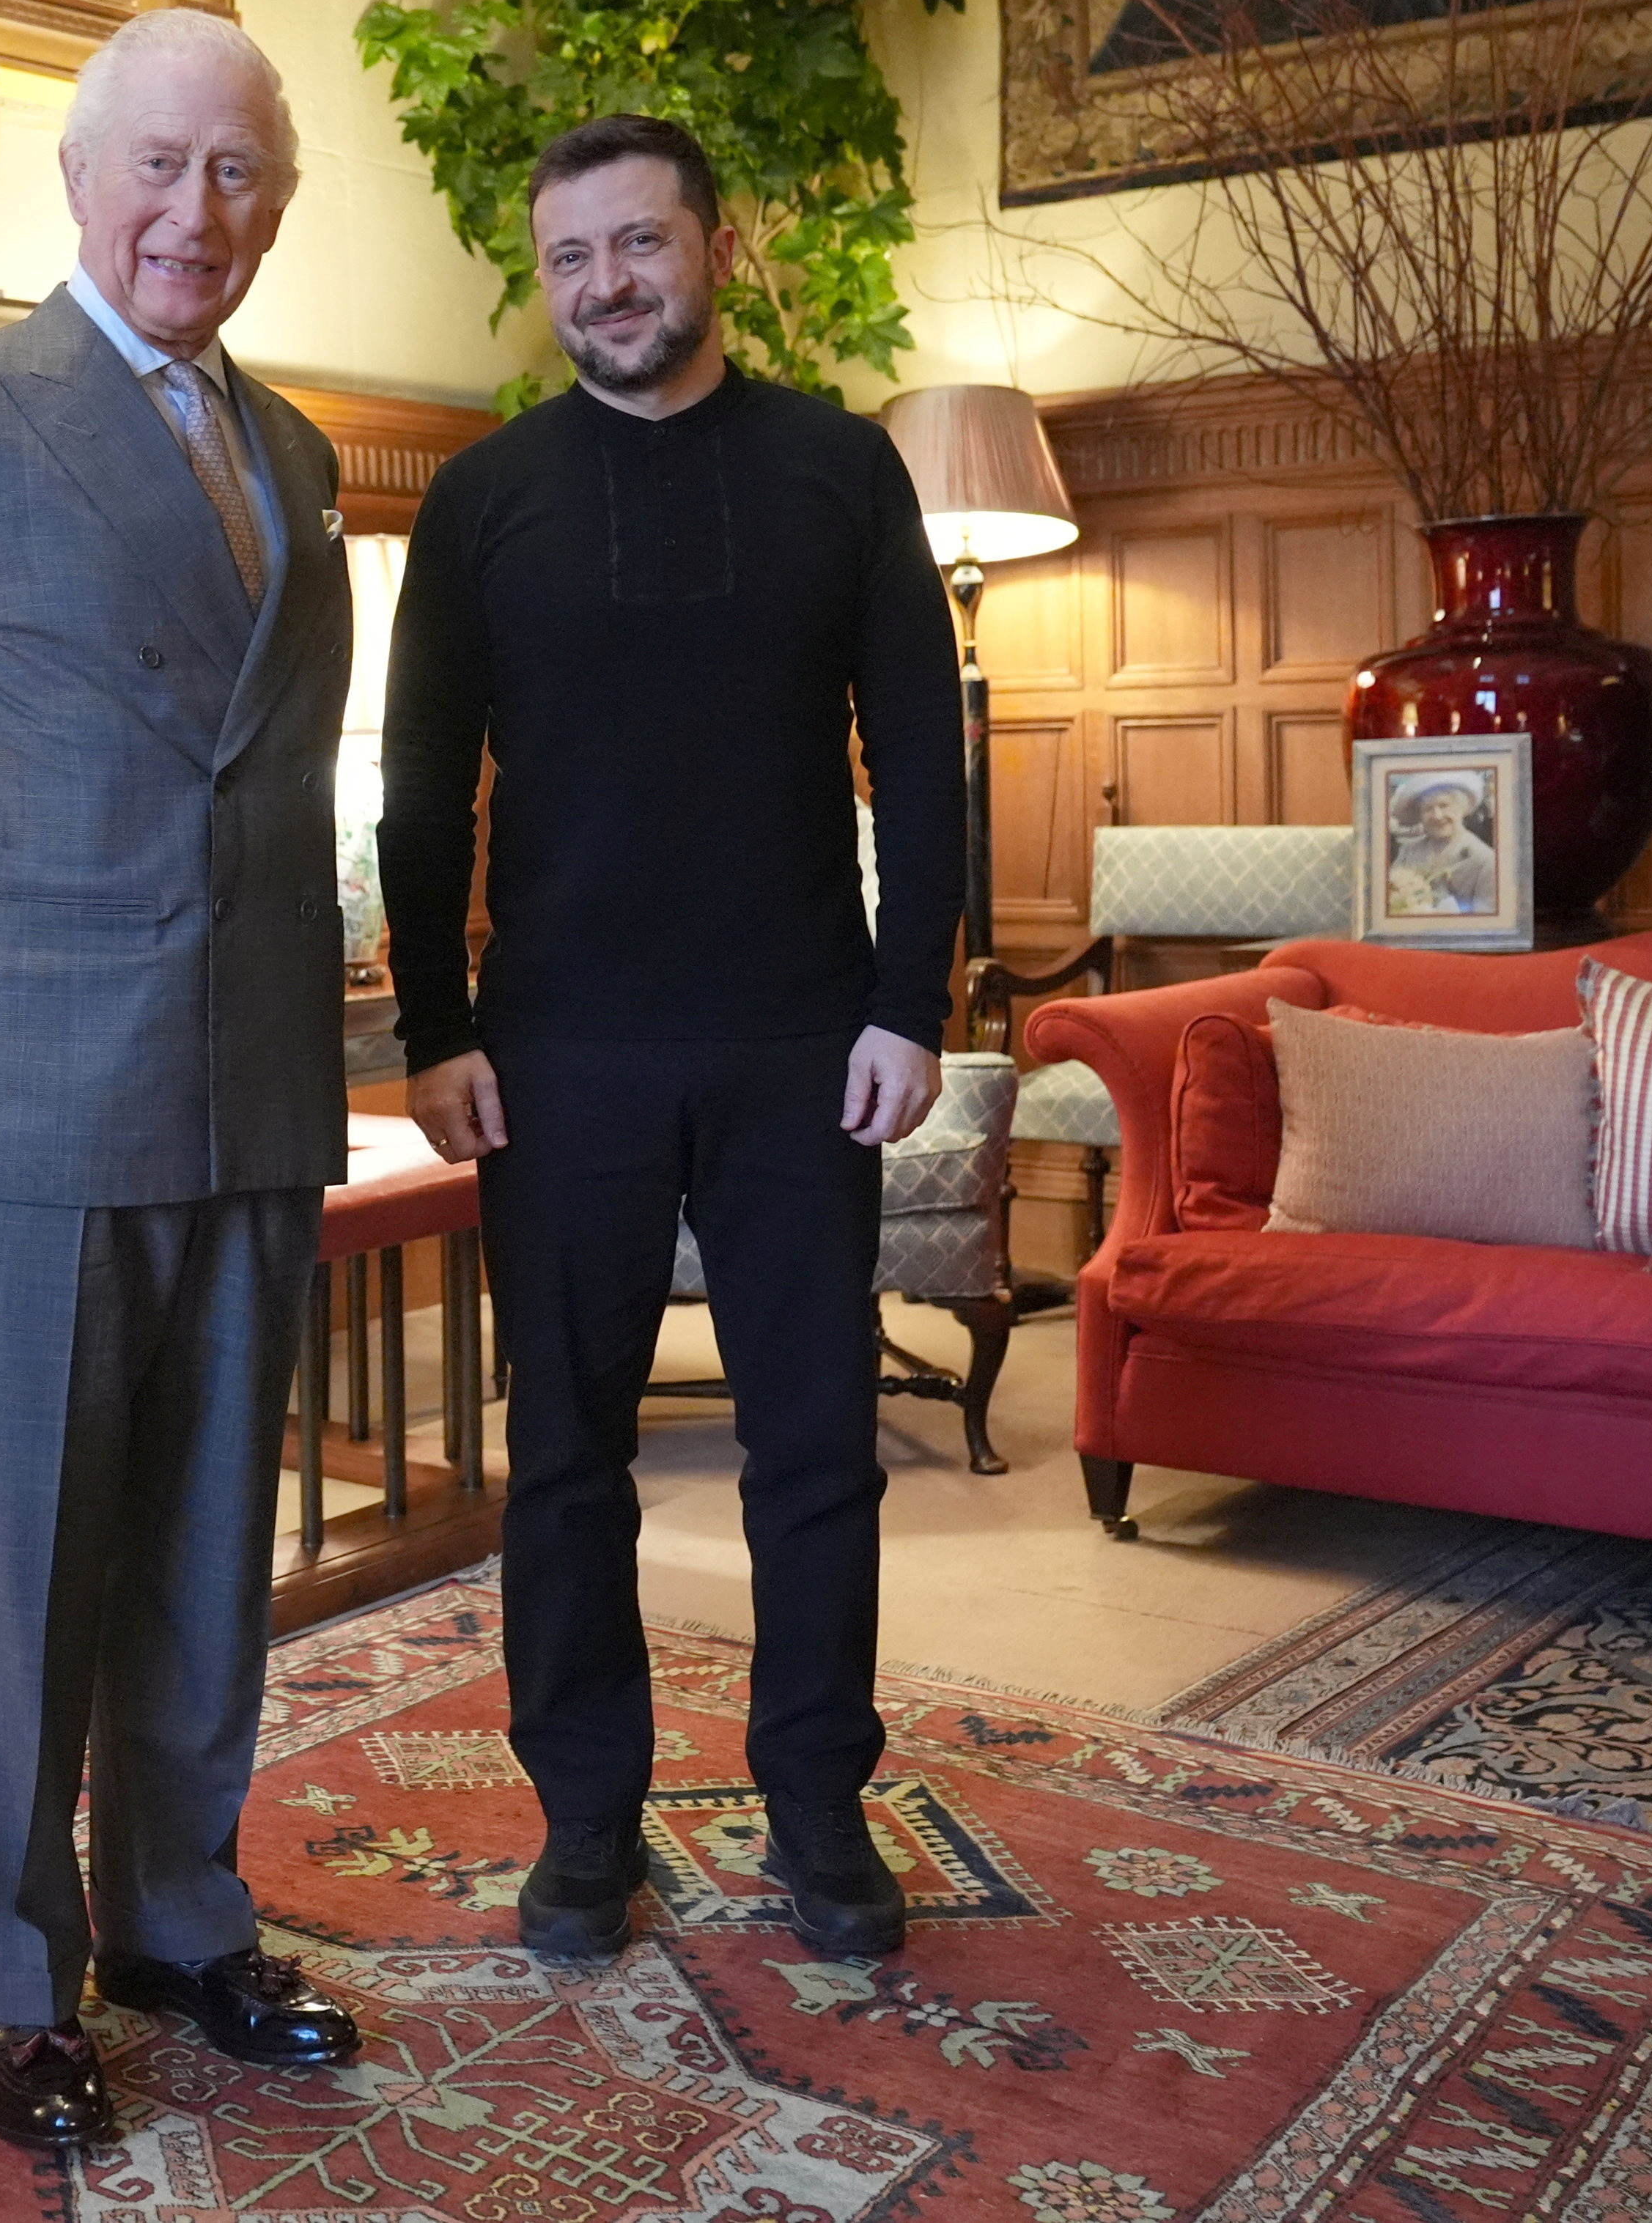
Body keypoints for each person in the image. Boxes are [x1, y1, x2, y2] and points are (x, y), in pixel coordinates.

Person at [0, 8, 358, 2150]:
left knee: (215, 1536)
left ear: (275, 207)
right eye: (157, 165)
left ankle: (180, 1916)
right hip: (26, 1090)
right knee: (28, 1561)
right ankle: (15, 1974)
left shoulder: (298, 459)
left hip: (246, 1082)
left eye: (235, 175)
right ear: (75, 179)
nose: (192, 213)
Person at [377, 113, 959, 1966]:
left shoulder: (835, 468)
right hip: (557, 1052)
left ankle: (813, 1803)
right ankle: (583, 1820)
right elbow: (414, 787)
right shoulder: (483, 500)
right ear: (541, 279)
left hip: (803, 1035)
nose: (605, 284)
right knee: (562, 1456)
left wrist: (905, 997)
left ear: (712, 243)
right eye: (569, 258)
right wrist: (432, 1024)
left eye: (636, 243)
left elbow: (923, 753)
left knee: (816, 1450)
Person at [1384, 778, 1497, 915]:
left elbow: (1488, 922)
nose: (1437, 816)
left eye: (1444, 806)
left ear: (1462, 808)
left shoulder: (1485, 860)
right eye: (1428, 809)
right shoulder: (1409, 850)